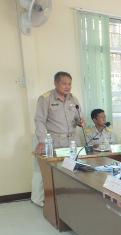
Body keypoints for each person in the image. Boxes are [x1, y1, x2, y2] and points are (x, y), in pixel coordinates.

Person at [31, 71, 86, 207]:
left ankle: (67, 196)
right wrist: (42, 141)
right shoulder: (45, 98)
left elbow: (78, 117)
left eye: (69, 84)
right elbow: (39, 121)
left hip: (72, 139)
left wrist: (80, 121)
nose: (67, 87)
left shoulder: (73, 99)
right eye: (64, 84)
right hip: (52, 140)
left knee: (73, 168)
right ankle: (38, 199)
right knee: (45, 169)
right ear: (56, 83)